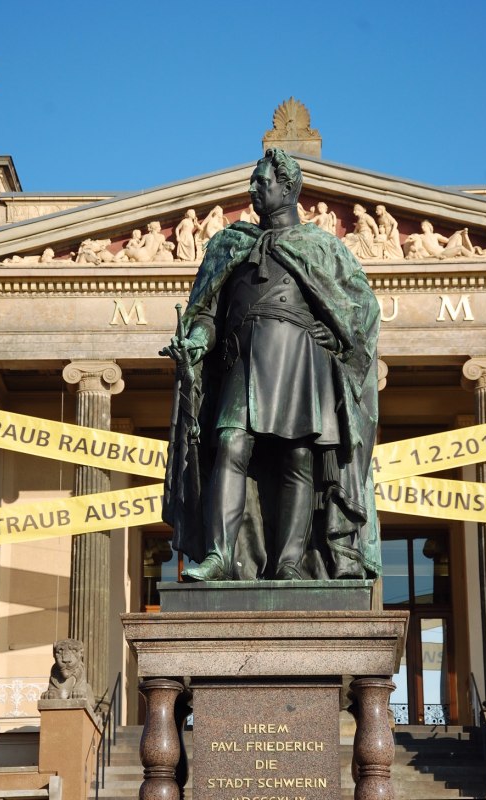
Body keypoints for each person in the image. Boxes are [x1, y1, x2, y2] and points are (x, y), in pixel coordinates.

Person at [162, 148, 380, 582]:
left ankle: (289, 562)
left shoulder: (322, 247)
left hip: (301, 358)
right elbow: (208, 313)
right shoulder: (229, 245)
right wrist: (197, 340)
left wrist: (337, 336)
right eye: (254, 181)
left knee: (297, 457)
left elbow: (363, 308)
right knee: (230, 444)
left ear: (288, 188)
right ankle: (220, 555)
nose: (253, 188)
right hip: (243, 361)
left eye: (262, 181)